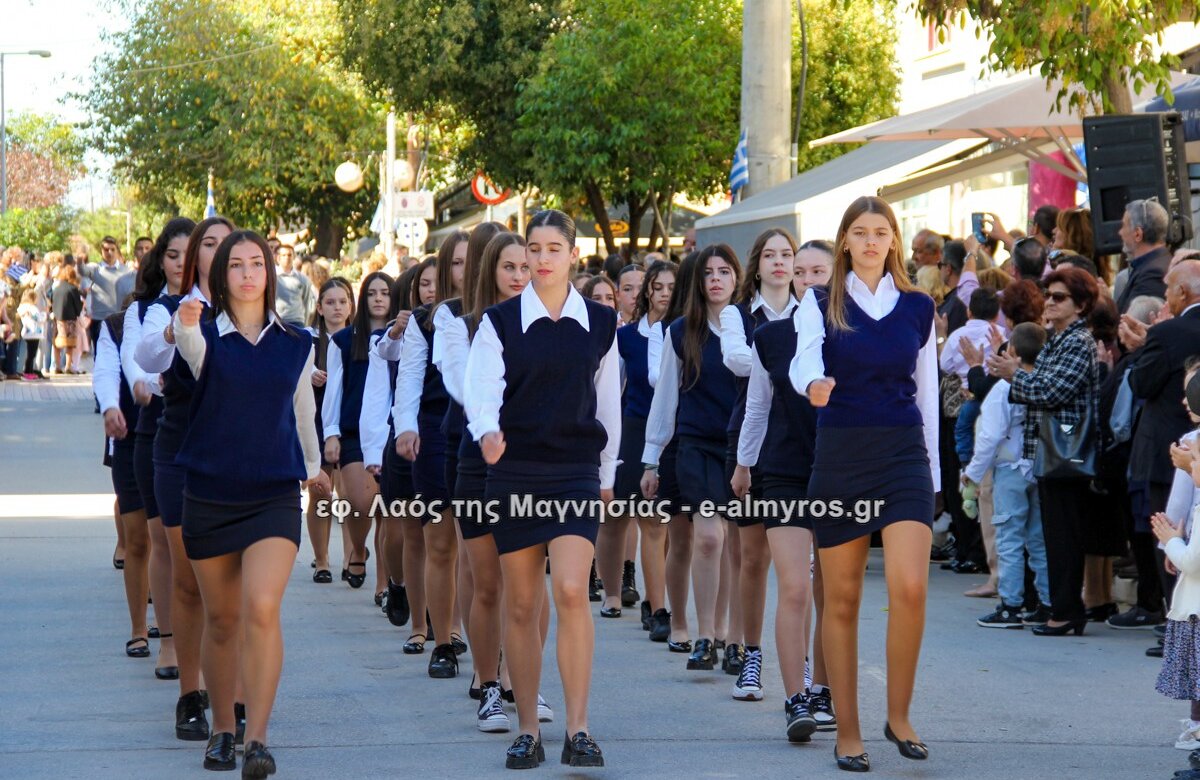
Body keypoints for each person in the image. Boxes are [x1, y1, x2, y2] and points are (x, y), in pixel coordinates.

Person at [790, 195, 940, 772]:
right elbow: (803, 360)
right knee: (844, 597)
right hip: (842, 452)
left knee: (910, 588)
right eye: (860, 232)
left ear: (894, 241)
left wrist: (935, 476)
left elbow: (925, 391)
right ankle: (846, 731)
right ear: (845, 241)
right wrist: (813, 386)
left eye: (881, 231)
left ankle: (898, 717)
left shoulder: (919, 307)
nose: (872, 241)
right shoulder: (818, 302)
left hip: (904, 453)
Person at [172, 230, 330, 777]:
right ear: (221, 276)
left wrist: (315, 472)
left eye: (255, 263)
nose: (245, 273)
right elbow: (189, 353)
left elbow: (303, 411)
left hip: (274, 495)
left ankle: (257, 739)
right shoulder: (203, 333)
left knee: (262, 608)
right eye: (234, 264)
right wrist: (185, 324)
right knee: (222, 620)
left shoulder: (297, 340)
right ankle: (222, 730)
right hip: (210, 494)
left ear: (270, 272)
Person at [464, 209, 618, 769]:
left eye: (554, 248)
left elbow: (609, 402)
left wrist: (606, 475)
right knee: (523, 602)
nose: (542, 258)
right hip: (515, 471)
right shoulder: (499, 323)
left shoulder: (601, 323)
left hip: (576, 468)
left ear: (573, 255)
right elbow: (481, 387)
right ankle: (527, 726)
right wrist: (487, 432)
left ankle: (579, 728)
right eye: (534, 248)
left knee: (573, 591)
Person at [135, 215, 235, 741]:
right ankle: (190, 695)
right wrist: (178, 327)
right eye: (211, 245)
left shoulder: (254, 311)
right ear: (194, 254)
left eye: (231, 246)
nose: (221, 255)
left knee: (232, 587)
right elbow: (147, 353)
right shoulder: (167, 309)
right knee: (190, 577)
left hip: (237, 455)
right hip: (177, 449)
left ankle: (234, 695)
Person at [732, 237, 834, 737]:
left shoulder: (852, 335)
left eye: (820, 272)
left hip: (841, 471)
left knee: (831, 589)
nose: (810, 281)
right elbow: (757, 406)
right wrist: (744, 464)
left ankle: (825, 690)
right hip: (784, 471)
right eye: (803, 272)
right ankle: (796, 698)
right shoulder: (770, 336)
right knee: (794, 587)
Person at [641, 244, 748, 673]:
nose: (717, 279)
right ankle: (704, 635)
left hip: (744, 448)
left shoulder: (754, 329)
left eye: (725, 271)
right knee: (708, 538)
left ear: (738, 277)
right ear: (699, 282)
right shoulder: (680, 331)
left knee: (736, 546)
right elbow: (665, 398)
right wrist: (651, 460)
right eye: (709, 273)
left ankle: (730, 634)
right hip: (696, 446)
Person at [987, 266, 1100, 636]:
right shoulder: (1058, 337)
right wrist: (1016, 373)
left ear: (1080, 305)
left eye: (1059, 297)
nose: (1049, 303)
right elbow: (1041, 383)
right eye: (1048, 295)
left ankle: (1067, 611)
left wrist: (1013, 374)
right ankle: (1057, 607)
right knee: (1051, 535)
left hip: (1066, 453)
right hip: (1049, 453)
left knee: (1064, 535)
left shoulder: (1078, 341)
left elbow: (1052, 391)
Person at [718, 228, 801, 683]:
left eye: (786, 254)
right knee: (752, 556)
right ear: (758, 263)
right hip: (747, 440)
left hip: (799, 442)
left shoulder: (811, 312)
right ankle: (751, 654)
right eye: (770, 255)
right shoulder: (737, 314)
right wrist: (787, 360)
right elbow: (736, 359)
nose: (779, 262)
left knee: (800, 566)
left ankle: (803, 661)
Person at [392, 230, 471, 677]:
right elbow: (410, 376)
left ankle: (474, 635)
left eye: (471, 261)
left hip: (491, 433)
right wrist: (405, 426)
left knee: (479, 546)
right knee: (440, 539)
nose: (465, 270)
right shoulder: (427, 319)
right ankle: (443, 639)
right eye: (456, 263)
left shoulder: (508, 312)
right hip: (437, 429)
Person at [122, 216, 196, 681]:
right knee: (164, 544)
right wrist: (145, 383)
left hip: (209, 431)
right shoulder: (146, 308)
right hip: (157, 430)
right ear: (160, 259)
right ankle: (168, 642)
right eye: (172, 255)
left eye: (190, 256)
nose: (181, 265)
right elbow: (138, 358)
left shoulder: (223, 303)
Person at [1114, 261, 1200, 630]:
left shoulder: (1169, 332)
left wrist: (1140, 348)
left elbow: (1142, 384)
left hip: (1168, 451)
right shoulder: (1168, 332)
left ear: (1183, 292)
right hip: (1186, 446)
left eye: (1168, 289)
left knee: (1169, 535)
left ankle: (1175, 624)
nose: (1165, 296)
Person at [964, 322, 1052, 628]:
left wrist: (973, 473)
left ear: (1011, 351)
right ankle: (1046, 602)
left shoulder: (1004, 388)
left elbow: (990, 437)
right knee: (1039, 540)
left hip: (1009, 470)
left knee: (1009, 538)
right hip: (1038, 467)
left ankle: (1011, 605)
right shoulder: (1042, 382)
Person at [607, 260, 674, 641]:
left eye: (671, 287)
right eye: (658, 286)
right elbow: (612, 388)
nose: (664, 293)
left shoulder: (682, 331)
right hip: (635, 427)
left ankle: (658, 597)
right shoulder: (627, 336)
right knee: (649, 518)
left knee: (672, 524)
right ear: (647, 290)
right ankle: (657, 605)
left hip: (675, 430)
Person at [322, 270, 393, 592]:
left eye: (385, 293)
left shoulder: (405, 335)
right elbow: (334, 391)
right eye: (372, 293)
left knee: (388, 514)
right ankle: (358, 548)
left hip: (391, 431)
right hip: (353, 433)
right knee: (362, 504)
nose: (379, 298)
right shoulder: (344, 340)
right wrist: (332, 433)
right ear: (361, 301)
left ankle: (383, 585)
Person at [94, 305, 151, 660]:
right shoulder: (118, 324)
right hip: (131, 435)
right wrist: (110, 406)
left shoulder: (203, 310)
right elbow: (108, 370)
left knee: (169, 540)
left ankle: (171, 627)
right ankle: (138, 628)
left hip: (177, 438)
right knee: (139, 539)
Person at [306, 277, 355, 584]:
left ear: (351, 306)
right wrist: (310, 373)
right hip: (316, 419)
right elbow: (298, 370)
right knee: (320, 493)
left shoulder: (360, 338)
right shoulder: (309, 340)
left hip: (350, 420)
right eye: (330, 302)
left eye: (342, 301)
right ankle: (322, 559)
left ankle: (352, 560)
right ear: (320, 308)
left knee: (349, 494)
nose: (337, 308)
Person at [1115, 199, 1172, 314]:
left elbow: (1132, 320)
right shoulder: (1158, 262)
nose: (1120, 232)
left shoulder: (1152, 273)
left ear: (1137, 234)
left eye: (1123, 226)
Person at [79, 236, 136, 349]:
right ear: (101, 251)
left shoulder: (127, 271)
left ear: (117, 250)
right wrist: (79, 259)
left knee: (120, 353)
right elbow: (82, 272)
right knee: (99, 354)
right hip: (99, 320)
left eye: (112, 249)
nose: (109, 252)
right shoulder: (95, 269)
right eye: (106, 249)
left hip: (120, 319)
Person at [273, 244, 315, 329]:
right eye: (284, 255)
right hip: (277, 320)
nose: (287, 258)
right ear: (278, 258)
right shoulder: (271, 277)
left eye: (289, 255)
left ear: (294, 257)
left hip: (296, 321)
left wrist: (306, 324)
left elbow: (307, 302)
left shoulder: (302, 279)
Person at [51, 265, 83, 374]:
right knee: (70, 344)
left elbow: (51, 302)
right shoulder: (73, 289)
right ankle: (68, 366)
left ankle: (57, 366)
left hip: (57, 318)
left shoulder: (56, 288)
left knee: (57, 343)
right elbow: (78, 307)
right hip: (70, 319)